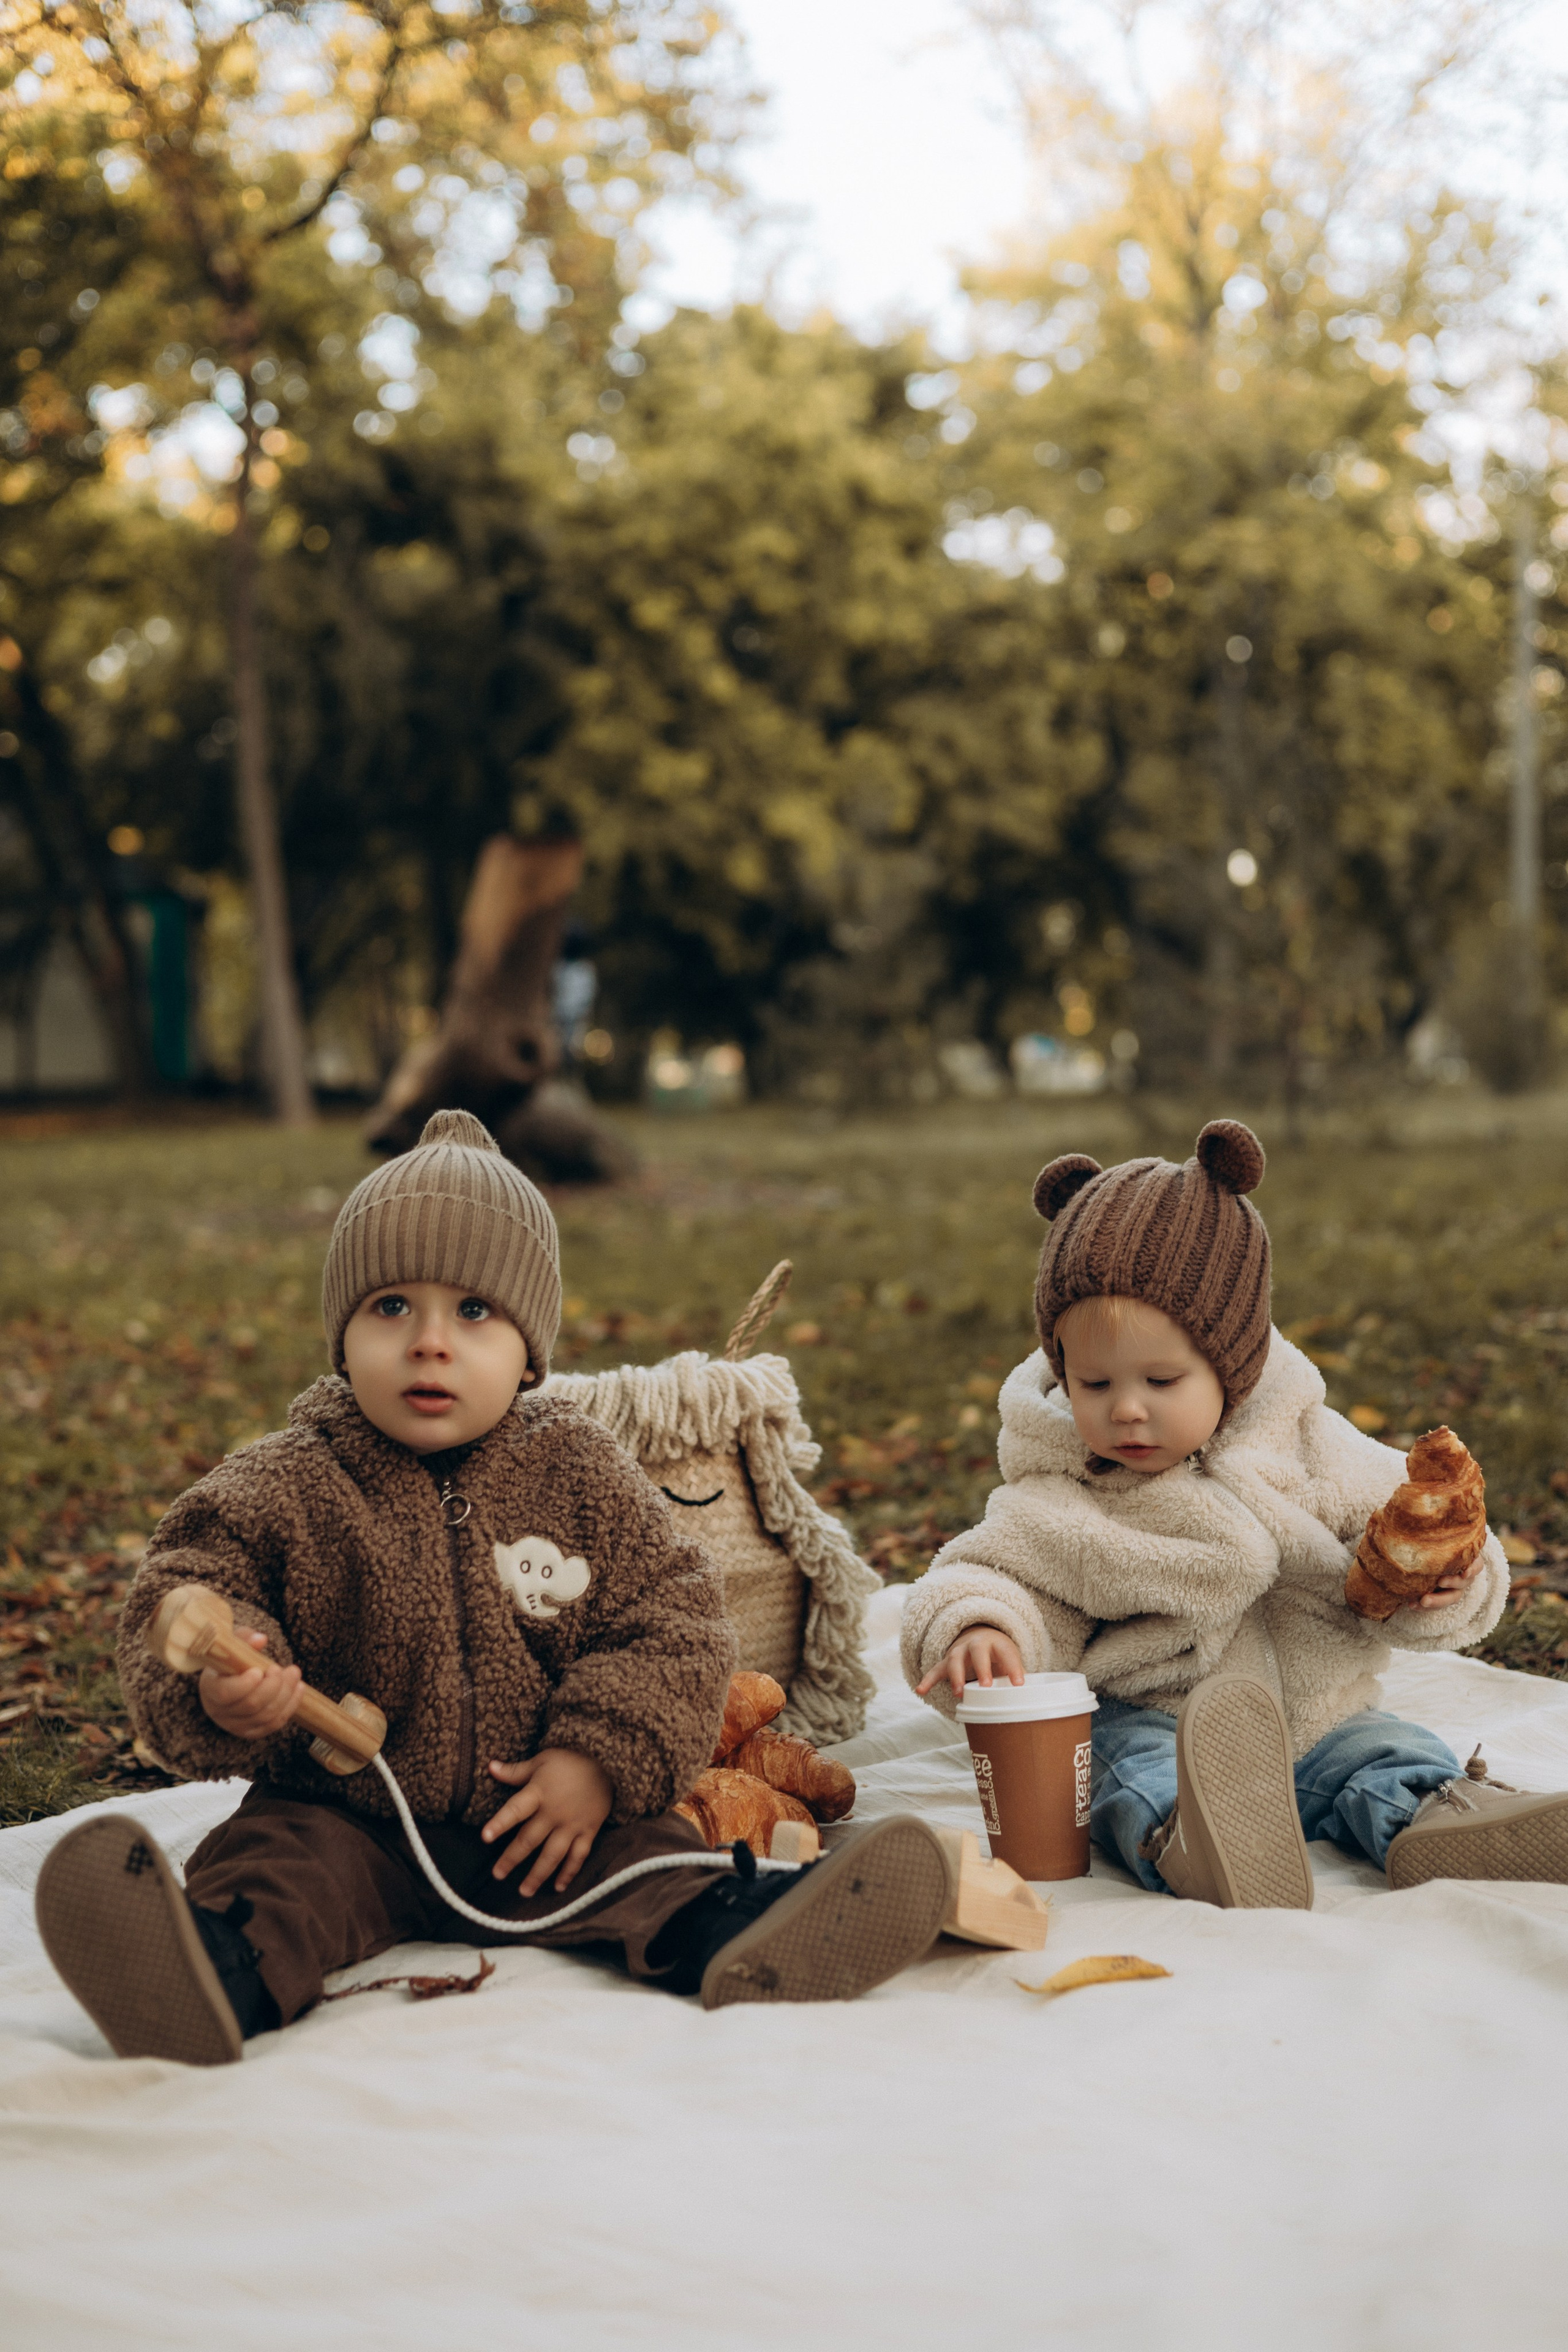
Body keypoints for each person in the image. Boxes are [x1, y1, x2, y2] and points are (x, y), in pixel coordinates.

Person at [36, 1110, 950, 2065]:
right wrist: (227, 1684)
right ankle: (209, 1975)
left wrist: (595, 1762)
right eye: (392, 1307)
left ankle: (748, 1932)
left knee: (654, 1861)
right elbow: (184, 1589)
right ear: (341, 1334)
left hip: (542, 1816)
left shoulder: (580, 1471)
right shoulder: (288, 1481)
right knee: (272, 1874)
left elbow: (677, 1623)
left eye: (474, 1312)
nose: (432, 1343)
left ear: (531, 1348)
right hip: (346, 1817)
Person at [903, 1118, 1568, 1907]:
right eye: (1092, 1385)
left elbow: (1414, 1529)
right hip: (1162, 1721)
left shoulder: (1312, 1448)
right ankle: (1190, 1837)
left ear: (1233, 1363)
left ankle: (1438, 1821)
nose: (1125, 1412)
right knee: (1119, 1765)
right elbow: (997, 1571)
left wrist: (1448, 1582)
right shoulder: (1067, 1491)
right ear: (1061, 1376)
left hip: (1317, 1715)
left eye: (1160, 1381)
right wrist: (982, 1628)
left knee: (1387, 1749)